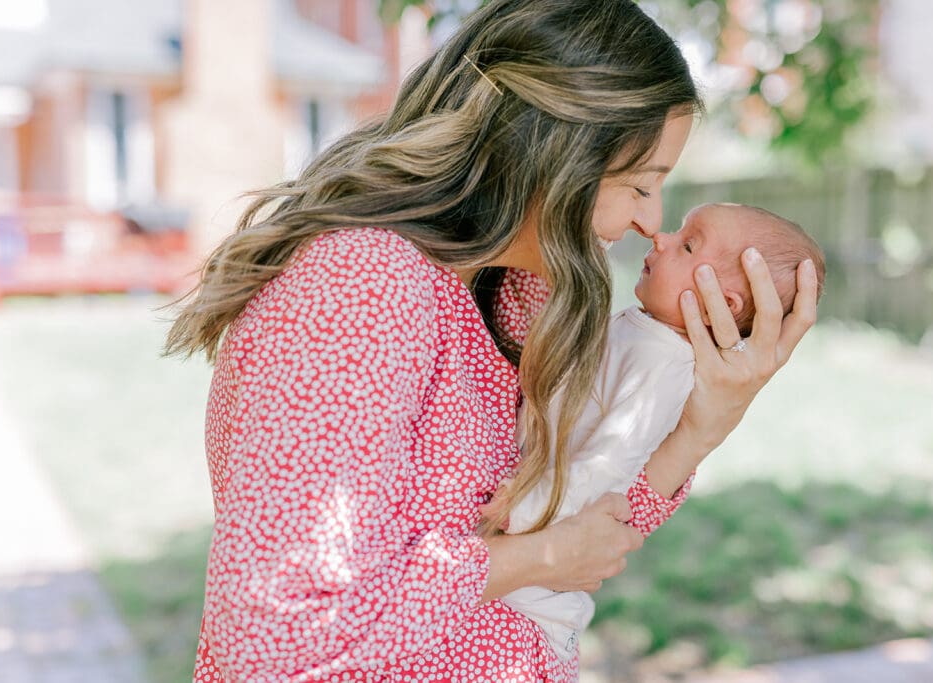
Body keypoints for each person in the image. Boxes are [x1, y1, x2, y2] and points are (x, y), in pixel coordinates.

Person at [164, 1, 819, 680]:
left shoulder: (509, 291)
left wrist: (702, 427)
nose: (651, 221)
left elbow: (587, 529)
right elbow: (280, 634)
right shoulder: (364, 282)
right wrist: (537, 558)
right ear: (549, 152)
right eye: (639, 185)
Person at [493, 203, 827, 660]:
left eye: (688, 245)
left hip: (528, 594)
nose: (661, 238)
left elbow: (612, 461)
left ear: (721, 305)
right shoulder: (644, 332)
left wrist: (524, 512)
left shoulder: (663, 363)